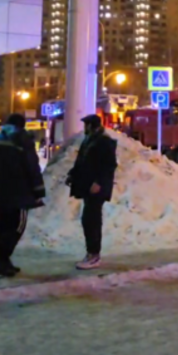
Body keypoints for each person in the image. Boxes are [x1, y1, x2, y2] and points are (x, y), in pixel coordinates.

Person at [0, 114, 45, 277]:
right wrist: (38, 190)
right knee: (17, 226)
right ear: (21, 125)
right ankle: (0, 259)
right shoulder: (21, 138)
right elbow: (32, 166)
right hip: (18, 192)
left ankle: (4, 260)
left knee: (4, 226)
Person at [67, 115, 118, 270]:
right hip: (88, 187)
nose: (84, 128)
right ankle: (91, 253)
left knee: (92, 220)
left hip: (97, 189)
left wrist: (98, 183)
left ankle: (94, 255)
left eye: (86, 124)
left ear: (91, 126)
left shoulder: (104, 141)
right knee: (88, 220)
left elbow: (109, 165)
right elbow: (82, 161)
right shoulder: (89, 140)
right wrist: (72, 175)